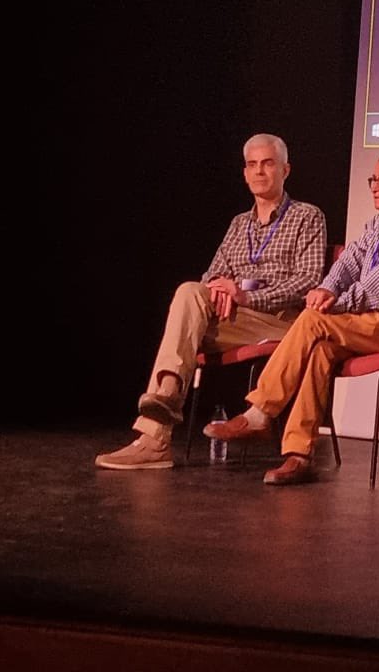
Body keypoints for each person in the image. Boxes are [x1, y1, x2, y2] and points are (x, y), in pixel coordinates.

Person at [203, 150, 379, 485]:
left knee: (313, 320)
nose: (374, 187)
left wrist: (332, 304)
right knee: (319, 348)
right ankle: (298, 454)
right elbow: (348, 263)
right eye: (372, 180)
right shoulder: (377, 224)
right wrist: (326, 289)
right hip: (370, 323)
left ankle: (260, 411)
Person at [96, 134, 328, 471]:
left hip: (282, 321)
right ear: (245, 173)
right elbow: (213, 275)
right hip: (237, 319)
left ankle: (160, 418)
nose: (259, 172)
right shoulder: (239, 224)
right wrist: (219, 289)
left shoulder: (307, 217)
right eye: (252, 165)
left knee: (187, 316)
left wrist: (246, 295)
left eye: (268, 164)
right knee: (191, 290)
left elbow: (306, 282)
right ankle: (158, 428)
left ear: (285, 170)